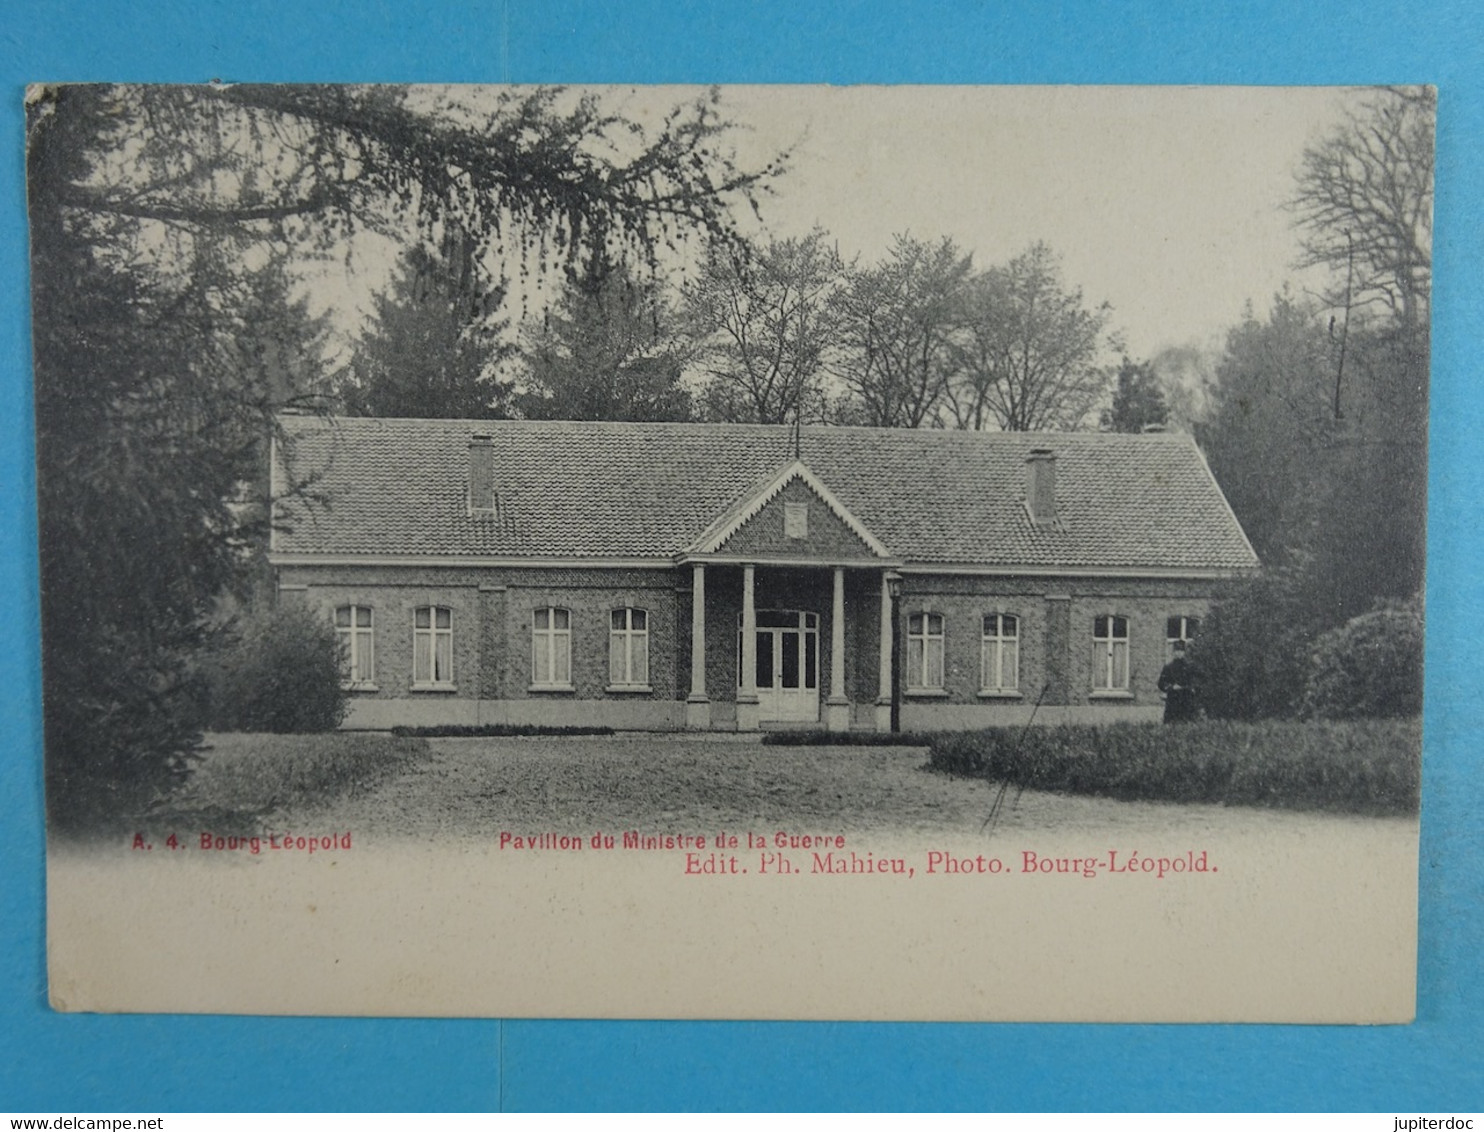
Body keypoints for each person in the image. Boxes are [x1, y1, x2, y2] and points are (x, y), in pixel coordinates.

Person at [1157, 639, 1198, 723]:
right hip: (1173, 701)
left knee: (1186, 724)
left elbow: (1195, 682)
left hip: (1186, 701)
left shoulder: (1190, 667)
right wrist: (1171, 687)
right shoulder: (1168, 667)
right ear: (1173, 652)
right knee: (1171, 724)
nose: (1179, 653)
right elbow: (1161, 683)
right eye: (1177, 651)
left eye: (1181, 651)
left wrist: (1189, 688)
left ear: (1184, 652)